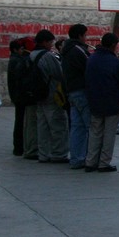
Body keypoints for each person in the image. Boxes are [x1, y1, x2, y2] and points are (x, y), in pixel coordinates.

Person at [84, 33, 119, 173]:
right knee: (109, 134)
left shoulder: (92, 59)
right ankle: (104, 162)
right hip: (112, 100)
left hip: (95, 100)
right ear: (113, 45)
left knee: (95, 132)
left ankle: (90, 161)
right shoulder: (114, 62)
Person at [31, 30, 70, 163]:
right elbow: (59, 73)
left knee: (42, 126)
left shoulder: (31, 55)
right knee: (58, 126)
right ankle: (59, 153)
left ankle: (43, 154)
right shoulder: (47, 56)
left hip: (38, 95)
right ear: (44, 42)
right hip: (51, 94)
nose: (52, 45)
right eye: (50, 42)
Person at [61, 23, 91, 170]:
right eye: (85, 35)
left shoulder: (66, 50)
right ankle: (89, 157)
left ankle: (76, 158)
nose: (86, 38)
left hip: (71, 91)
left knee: (77, 127)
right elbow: (89, 67)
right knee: (89, 126)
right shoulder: (78, 50)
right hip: (82, 90)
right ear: (80, 36)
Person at [7, 40, 26, 155]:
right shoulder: (17, 61)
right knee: (20, 122)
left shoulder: (14, 60)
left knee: (19, 121)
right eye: (21, 49)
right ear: (15, 50)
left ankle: (18, 146)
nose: (23, 51)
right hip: (19, 95)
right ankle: (19, 147)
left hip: (16, 95)